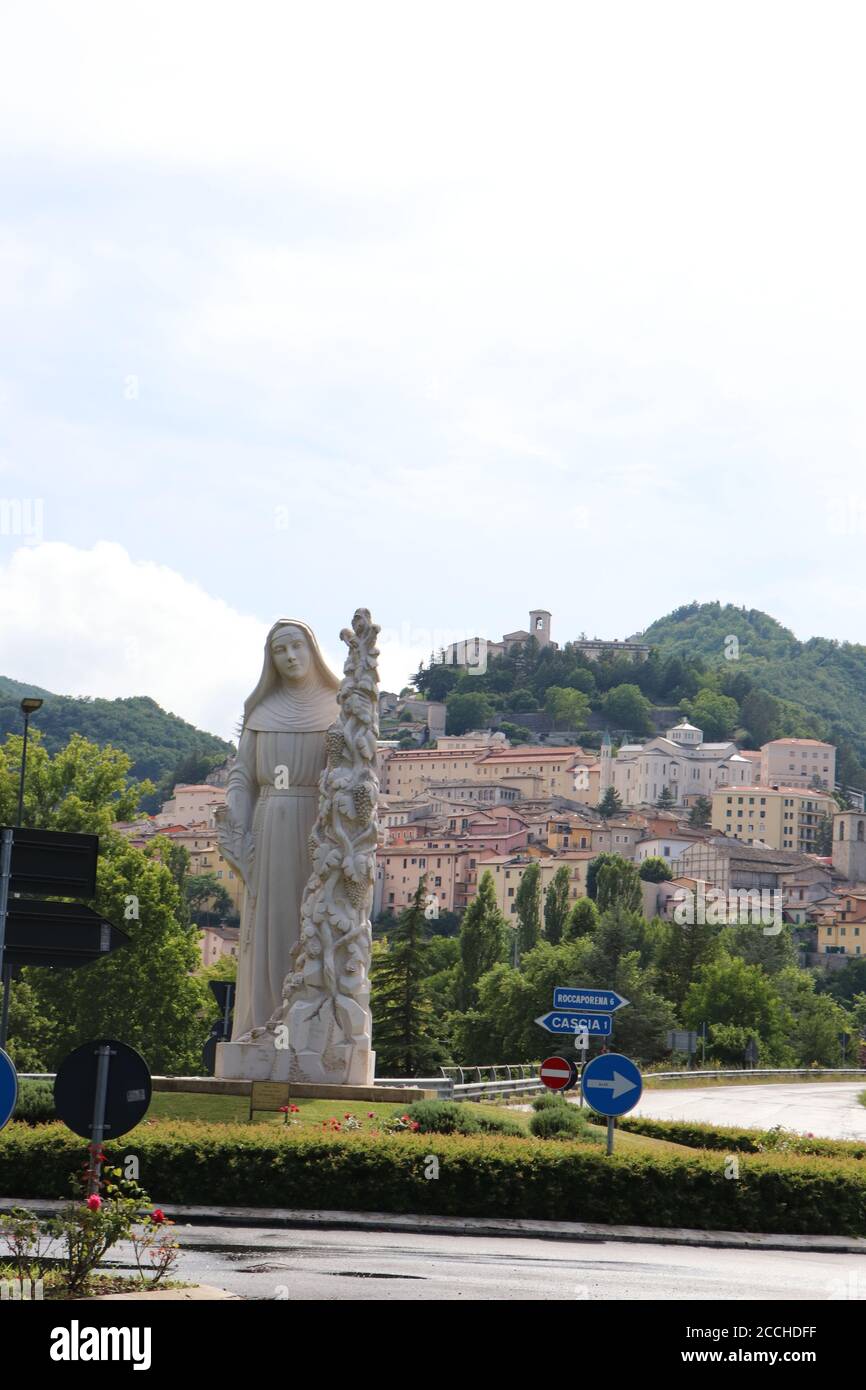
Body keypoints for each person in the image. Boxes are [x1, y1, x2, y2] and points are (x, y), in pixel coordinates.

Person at [218, 619, 339, 1040]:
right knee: (271, 926)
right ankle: (264, 1023)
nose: (289, 657)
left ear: (313, 650)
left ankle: (313, 1027)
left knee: (314, 922)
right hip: (270, 824)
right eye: (279, 650)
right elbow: (242, 776)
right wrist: (234, 814)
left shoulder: (338, 708)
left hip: (318, 828)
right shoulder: (260, 711)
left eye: (296, 647)